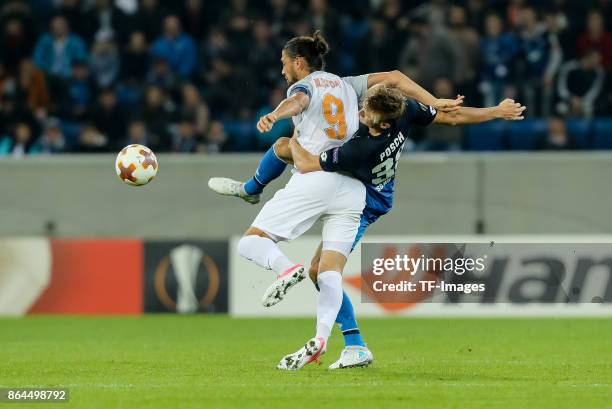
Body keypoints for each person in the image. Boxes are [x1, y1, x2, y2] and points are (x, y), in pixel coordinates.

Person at [209, 31, 463, 370]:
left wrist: (275, 114)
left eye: (285, 64)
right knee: (327, 272)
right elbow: (396, 78)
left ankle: (285, 266)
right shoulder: (348, 84)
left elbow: (296, 102)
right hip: (353, 189)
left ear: (299, 63)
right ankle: (345, 344)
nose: (283, 70)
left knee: (252, 243)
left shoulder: (305, 86)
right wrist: (436, 101)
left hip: (317, 177)